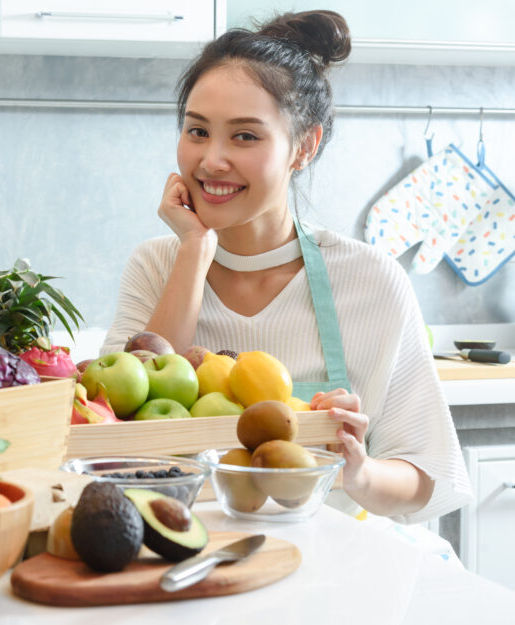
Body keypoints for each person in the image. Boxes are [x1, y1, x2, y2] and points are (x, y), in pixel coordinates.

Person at [101, 10, 471, 524]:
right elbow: (119, 434)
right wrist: (192, 252)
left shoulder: (369, 280)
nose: (211, 160)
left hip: (336, 563)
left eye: (245, 137)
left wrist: (356, 471)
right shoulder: (156, 264)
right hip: (183, 548)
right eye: (197, 130)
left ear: (304, 146)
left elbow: (427, 479)